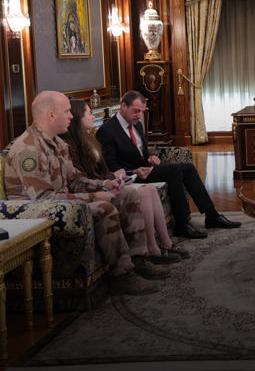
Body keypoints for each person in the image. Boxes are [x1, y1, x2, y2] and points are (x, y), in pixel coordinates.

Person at [4, 91, 168, 295]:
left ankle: (139, 259)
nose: (71, 116)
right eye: (67, 112)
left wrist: (105, 185)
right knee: (105, 208)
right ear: (51, 115)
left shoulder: (58, 143)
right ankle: (121, 274)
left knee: (127, 194)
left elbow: (75, 181)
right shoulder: (29, 149)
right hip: (36, 214)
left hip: (63, 204)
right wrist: (94, 197)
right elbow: (44, 199)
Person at [96, 91, 241, 239]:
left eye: (142, 112)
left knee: (188, 168)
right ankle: (182, 223)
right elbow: (110, 167)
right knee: (175, 170)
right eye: (136, 111)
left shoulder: (137, 125)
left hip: (145, 170)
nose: (139, 116)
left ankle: (212, 215)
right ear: (123, 106)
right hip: (130, 177)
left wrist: (150, 159)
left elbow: (140, 153)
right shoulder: (107, 131)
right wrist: (134, 171)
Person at [62, 99, 189, 264]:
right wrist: (112, 179)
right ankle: (152, 249)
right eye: (89, 113)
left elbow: (104, 169)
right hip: (95, 189)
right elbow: (85, 179)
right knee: (145, 191)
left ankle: (166, 243)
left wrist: (117, 177)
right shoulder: (70, 145)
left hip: (108, 182)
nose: (93, 117)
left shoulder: (88, 139)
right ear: (78, 117)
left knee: (151, 189)